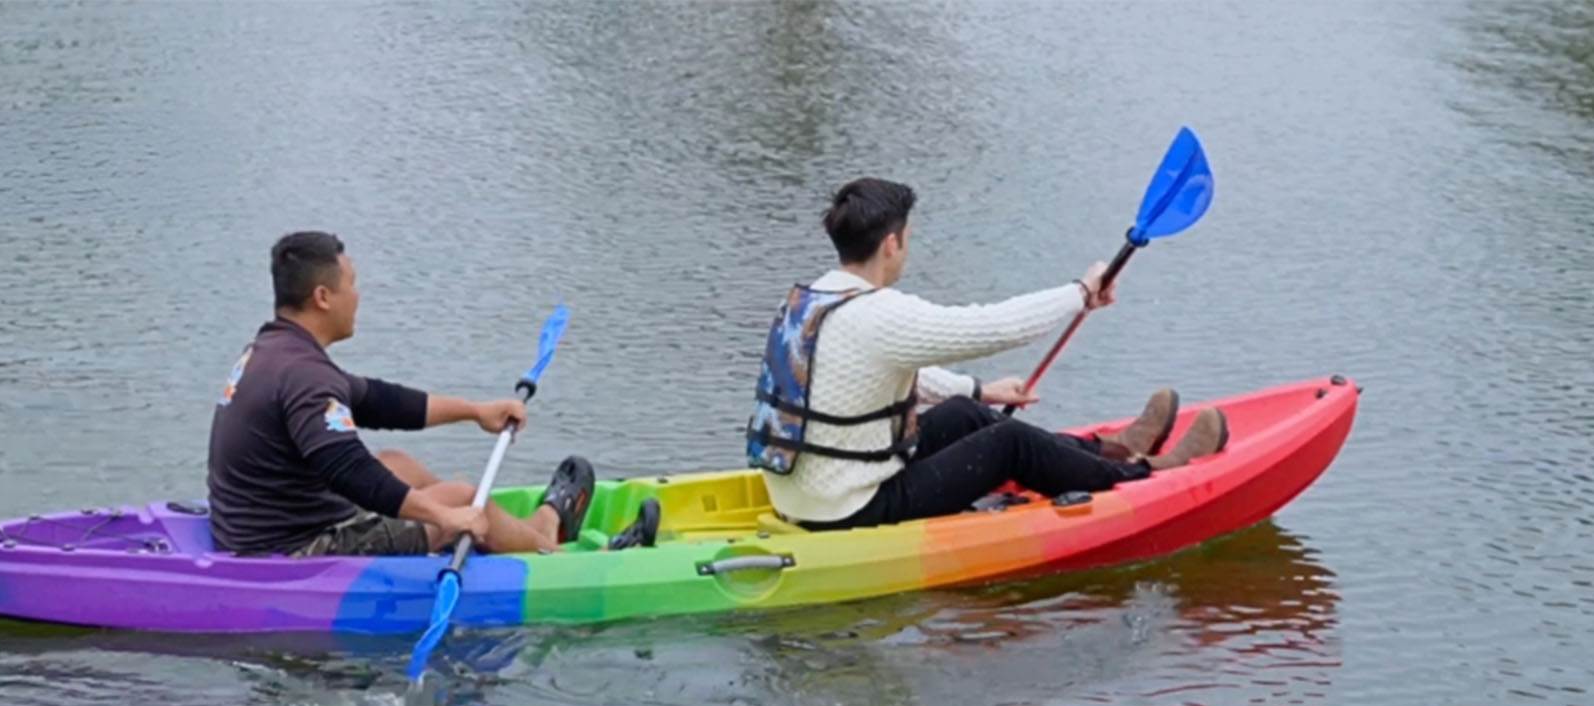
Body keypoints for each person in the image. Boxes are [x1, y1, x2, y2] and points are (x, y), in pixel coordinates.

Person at [745, 178, 1229, 531]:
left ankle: (1112, 448)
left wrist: (977, 389)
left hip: (806, 490)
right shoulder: (876, 314)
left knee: (962, 413)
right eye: (908, 239)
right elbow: (992, 327)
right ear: (892, 243)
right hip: (849, 507)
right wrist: (1080, 292)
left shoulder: (810, 299)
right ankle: (1142, 472)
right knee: (1008, 442)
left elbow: (879, 370)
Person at [209, 231, 654, 558]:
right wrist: (442, 517)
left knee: (395, 462)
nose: (358, 296)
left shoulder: (274, 351)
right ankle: (565, 557)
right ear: (324, 297)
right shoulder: (304, 375)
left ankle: (540, 528)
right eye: (353, 283)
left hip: (277, 521)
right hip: (294, 548)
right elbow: (347, 469)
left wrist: (475, 411)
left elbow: (379, 401)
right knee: (461, 498)